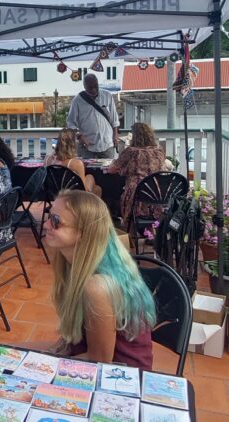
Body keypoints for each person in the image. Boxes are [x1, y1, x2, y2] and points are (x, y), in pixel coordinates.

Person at [43, 190, 156, 369]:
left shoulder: (96, 287)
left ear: (84, 232)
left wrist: (42, 364)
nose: (46, 224)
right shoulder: (70, 263)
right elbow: (72, 342)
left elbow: (99, 362)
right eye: (49, 216)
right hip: (86, 360)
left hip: (118, 376)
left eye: (56, 221)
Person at [106, 122, 168, 223]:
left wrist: (124, 169)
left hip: (138, 192)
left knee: (112, 188)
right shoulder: (159, 151)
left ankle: (125, 224)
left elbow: (112, 169)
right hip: (158, 192)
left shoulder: (131, 151)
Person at [67, 74, 119, 159]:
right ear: (84, 86)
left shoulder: (107, 95)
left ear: (98, 83)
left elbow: (114, 118)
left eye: (95, 86)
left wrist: (115, 136)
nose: (94, 89)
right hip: (87, 146)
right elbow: (70, 123)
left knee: (108, 167)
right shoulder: (77, 101)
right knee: (86, 168)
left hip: (107, 144)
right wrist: (79, 137)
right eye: (90, 87)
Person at [44, 129, 101, 197]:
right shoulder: (76, 163)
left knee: (90, 178)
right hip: (72, 196)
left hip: (53, 194)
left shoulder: (47, 159)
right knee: (97, 188)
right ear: (73, 144)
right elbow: (83, 189)